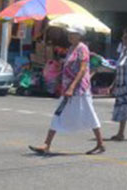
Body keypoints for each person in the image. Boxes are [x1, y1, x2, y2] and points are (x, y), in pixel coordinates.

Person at [29, 24, 105, 155]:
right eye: (69, 33)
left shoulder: (82, 48)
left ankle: (100, 143)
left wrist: (72, 87)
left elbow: (82, 69)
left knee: (89, 114)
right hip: (67, 88)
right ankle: (46, 144)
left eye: (73, 33)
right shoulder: (71, 48)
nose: (70, 35)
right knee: (58, 114)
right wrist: (60, 79)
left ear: (79, 35)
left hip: (79, 89)